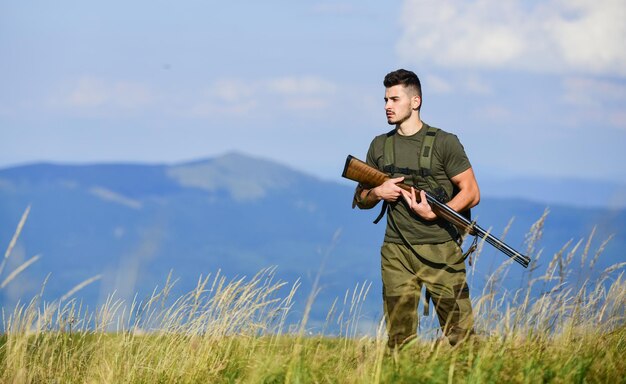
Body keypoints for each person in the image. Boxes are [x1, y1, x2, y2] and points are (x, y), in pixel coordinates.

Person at [352, 69, 480, 348]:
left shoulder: (445, 143)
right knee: (400, 340)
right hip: (396, 251)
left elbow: (471, 192)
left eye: (394, 99)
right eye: (385, 99)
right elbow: (360, 198)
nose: (387, 106)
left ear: (415, 102)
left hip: (441, 250)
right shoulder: (380, 146)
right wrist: (378, 191)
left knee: (462, 337)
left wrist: (437, 212)